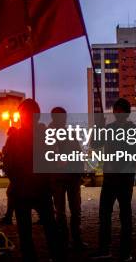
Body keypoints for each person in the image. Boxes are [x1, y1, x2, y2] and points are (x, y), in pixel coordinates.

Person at [3, 99, 64, 262]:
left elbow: (7, 164)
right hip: (37, 188)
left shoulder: (18, 136)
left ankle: (36, 256)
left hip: (29, 188)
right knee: (48, 227)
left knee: (28, 231)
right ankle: (55, 255)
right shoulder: (41, 135)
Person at [90, 98, 136, 262]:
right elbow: (95, 144)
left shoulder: (133, 130)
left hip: (124, 177)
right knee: (104, 214)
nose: (118, 113)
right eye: (116, 110)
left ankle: (125, 251)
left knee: (125, 216)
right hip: (111, 178)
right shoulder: (109, 129)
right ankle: (105, 249)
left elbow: (135, 152)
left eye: (120, 110)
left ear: (126, 112)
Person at [49, 107, 87, 251]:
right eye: (61, 118)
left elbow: (77, 152)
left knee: (73, 210)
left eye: (63, 118)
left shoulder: (68, 132)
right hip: (60, 177)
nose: (63, 120)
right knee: (62, 211)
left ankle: (73, 239)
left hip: (70, 177)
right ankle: (66, 240)